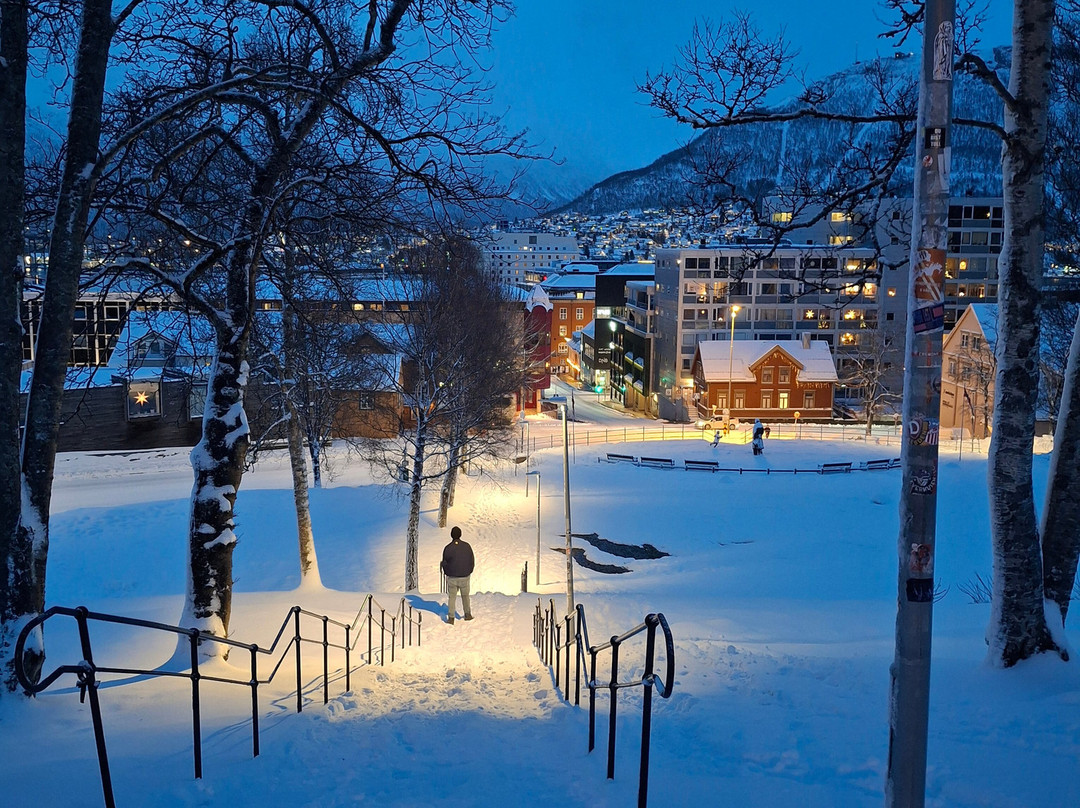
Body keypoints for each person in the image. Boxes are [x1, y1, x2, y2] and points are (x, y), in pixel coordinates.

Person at [440, 525, 474, 624]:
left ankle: (451, 617)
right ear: (460, 534)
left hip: (452, 577)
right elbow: (471, 560)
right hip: (464, 576)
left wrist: (446, 571)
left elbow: (445, 563)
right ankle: (467, 614)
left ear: (451, 535)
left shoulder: (448, 548)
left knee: (452, 597)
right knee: (465, 596)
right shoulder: (467, 546)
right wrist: (468, 571)